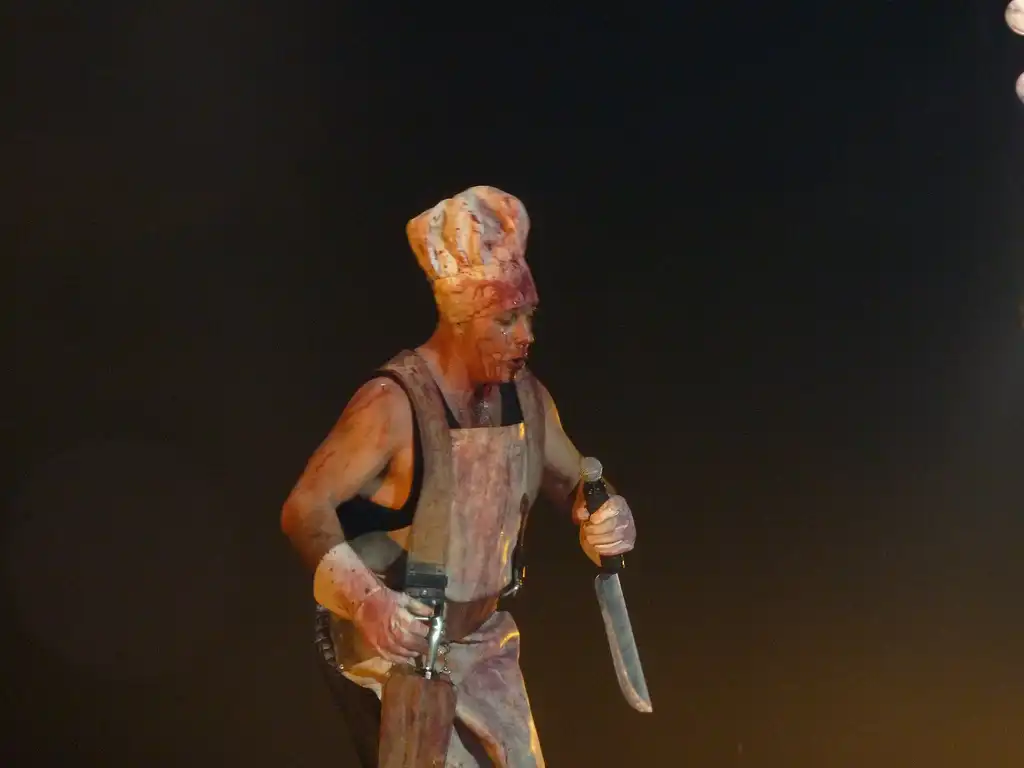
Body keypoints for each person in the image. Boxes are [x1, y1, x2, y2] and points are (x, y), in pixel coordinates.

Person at [280, 185, 637, 767]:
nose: (526, 335)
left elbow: (577, 483)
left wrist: (605, 516)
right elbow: (305, 507)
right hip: (398, 650)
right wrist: (369, 603)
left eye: (529, 315)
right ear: (460, 318)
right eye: (506, 319)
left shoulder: (528, 399)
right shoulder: (394, 402)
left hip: (484, 642)